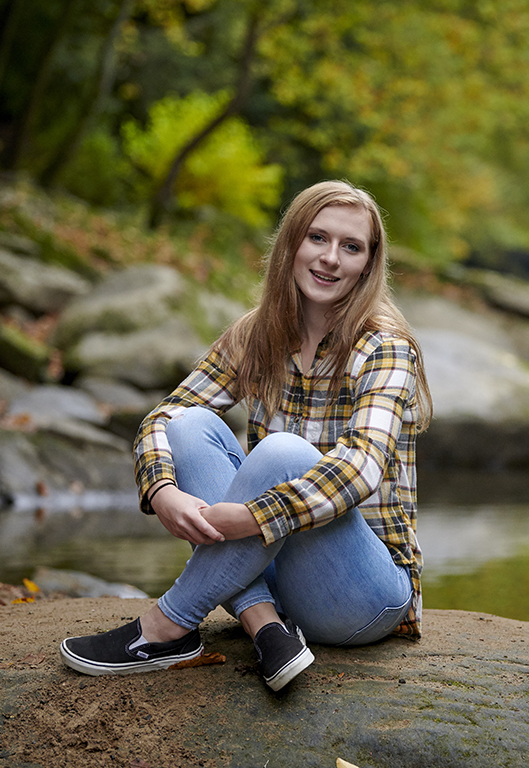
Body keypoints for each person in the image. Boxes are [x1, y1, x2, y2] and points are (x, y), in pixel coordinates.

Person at [59, 181, 431, 691]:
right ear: (291, 244)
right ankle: (267, 628)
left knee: (282, 453)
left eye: (351, 247)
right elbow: (162, 419)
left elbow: (362, 467)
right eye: (317, 238)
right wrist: (161, 490)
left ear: (368, 264)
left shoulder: (385, 347)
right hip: (280, 575)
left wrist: (254, 516)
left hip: (363, 591)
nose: (330, 259)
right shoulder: (258, 333)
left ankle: (165, 627)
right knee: (190, 428)